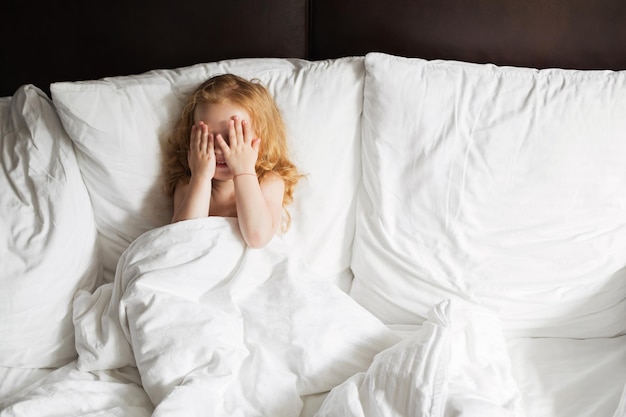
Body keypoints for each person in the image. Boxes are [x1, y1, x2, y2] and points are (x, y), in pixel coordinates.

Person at [164, 74, 302, 248]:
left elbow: (257, 238)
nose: (219, 148)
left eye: (233, 138)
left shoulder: (268, 182)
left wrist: (243, 170)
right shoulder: (187, 185)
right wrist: (200, 177)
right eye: (208, 138)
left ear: (261, 140)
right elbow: (182, 241)